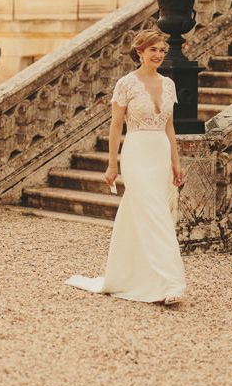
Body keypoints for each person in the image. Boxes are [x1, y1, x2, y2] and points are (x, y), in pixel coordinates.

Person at [66, 28, 186, 304]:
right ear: (140, 52)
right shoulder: (126, 84)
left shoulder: (168, 84)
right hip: (136, 153)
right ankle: (170, 283)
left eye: (162, 50)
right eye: (153, 49)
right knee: (154, 213)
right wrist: (112, 165)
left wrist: (176, 164)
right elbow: (116, 125)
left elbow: (169, 127)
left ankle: (132, 275)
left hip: (160, 154)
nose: (158, 54)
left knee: (149, 214)